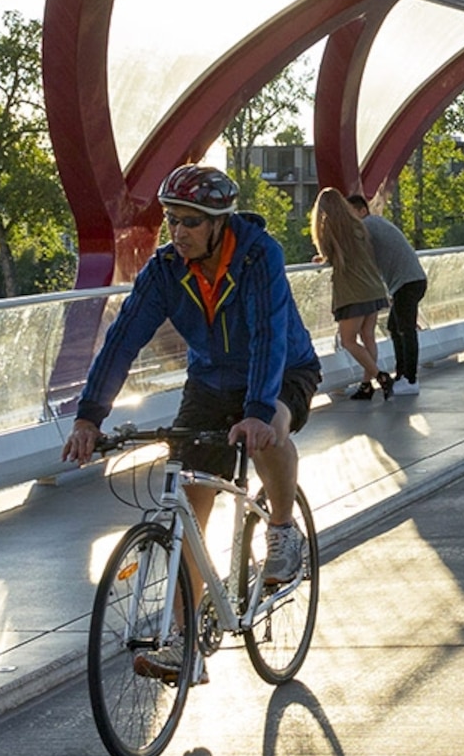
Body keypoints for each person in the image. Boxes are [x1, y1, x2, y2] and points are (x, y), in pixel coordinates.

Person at [61, 164, 320, 607]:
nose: (178, 232)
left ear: (219, 223)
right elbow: (122, 340)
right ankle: (182, 644)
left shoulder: (260, 256)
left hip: (282, 369)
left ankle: (282, 529)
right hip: (209, 382)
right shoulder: (164, 270)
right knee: (188, 499)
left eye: (191, 221)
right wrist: (89, 416)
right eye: (172, 220)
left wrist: (256, 410)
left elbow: (267, 335)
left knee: (270, 428)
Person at [311, 181, 385, 399]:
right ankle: (366, 385)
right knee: (368, 337)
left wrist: (322, 259)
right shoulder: (357, 225)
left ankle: (380, 376)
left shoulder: (331, 228)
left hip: (354, 293)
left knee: (349, 341)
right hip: (374, 287)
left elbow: (331, 256)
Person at [356, 190, 428, 396]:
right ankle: (403, 375)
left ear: (362, 211)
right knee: (396, 328)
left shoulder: (367, 225)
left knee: (405, 329)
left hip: (406, 283)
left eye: (351, 213)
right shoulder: (377, 223)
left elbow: (355, 250)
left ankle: (410, 379)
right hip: (410, 281)